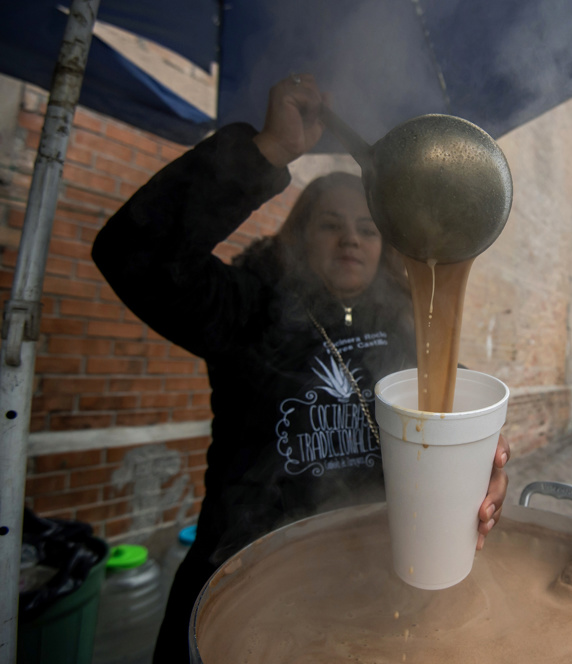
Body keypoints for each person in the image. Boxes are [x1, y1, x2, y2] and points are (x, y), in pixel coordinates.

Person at [91, 74, 510, 662]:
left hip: (378, 576)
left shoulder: (410, 329)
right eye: (330, 224)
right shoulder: (246, 307)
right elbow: (133, 256)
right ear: (298, 235)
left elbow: (455, 425)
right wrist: (268, 150)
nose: (351, 240)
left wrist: (482, 470)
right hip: (245, 577)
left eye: (368, 228)